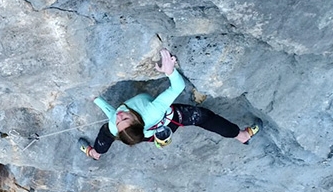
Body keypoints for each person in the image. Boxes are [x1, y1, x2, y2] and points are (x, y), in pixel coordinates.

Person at [79, 49, 259, 160]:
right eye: (123, 118)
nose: (119, 116)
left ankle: (95, 153)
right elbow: (177, 87)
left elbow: (112, 112)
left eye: (121, 120)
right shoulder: (150, 111)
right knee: (203, 117)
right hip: (168, 118)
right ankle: (241, 136)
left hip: (153, 128)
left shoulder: (115, 124)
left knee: (107, 132)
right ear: (136, 121)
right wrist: (170, 71)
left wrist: (96, 99)